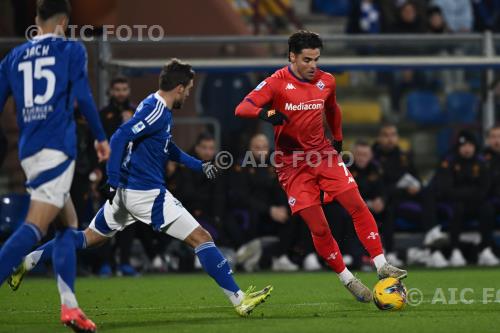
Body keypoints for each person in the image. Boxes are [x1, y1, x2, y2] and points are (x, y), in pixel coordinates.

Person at [9, 58, 272, 319]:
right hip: (144, 192)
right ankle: (240, 299)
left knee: (88, 237)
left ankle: (27, 261)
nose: (189, 93)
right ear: (179, 88)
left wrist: (198, 166)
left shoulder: (154, 105)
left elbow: (166, 147)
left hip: (127, 193)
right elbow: (120, 136)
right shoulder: (156, 111)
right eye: (189, 89)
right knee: (201, 238)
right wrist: (111, 179)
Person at [235, 30, 406, 303]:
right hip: (291, 165)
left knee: (357, 204)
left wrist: (337, 140)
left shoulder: (326, 81)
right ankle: (346, 278)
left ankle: (381, 263)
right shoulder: (276, 82)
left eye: (316, 59)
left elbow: (333, 110)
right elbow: (242, 108)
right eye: (306, 59)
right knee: (319, 228)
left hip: (323, 155)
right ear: (292, 56)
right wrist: (267, 113)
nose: (313, 65)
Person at [0, 1, 110, 332]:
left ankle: (70, 307)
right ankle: (68, 306)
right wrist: (101, 137)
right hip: (57, 150)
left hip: (29, 150)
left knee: (68, 226)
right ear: (64, 21)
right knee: (34, 227)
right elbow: (85, 97)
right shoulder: (71, 51)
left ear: (36, 19)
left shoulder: (12, 58)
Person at [435, 130, 500, 266]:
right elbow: (447, 190)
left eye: (470, 145)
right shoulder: (450, 162)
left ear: (475, 146)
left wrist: (465, 193)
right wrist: (470, 193)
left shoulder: (481, 163)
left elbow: (485, 189)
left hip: (476, 202)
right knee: (456, 208)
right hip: (456, 203)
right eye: (464, 145)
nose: (467, 149)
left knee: (487, 209)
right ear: (458, 147)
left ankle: (485, 249)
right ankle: (455, 250)